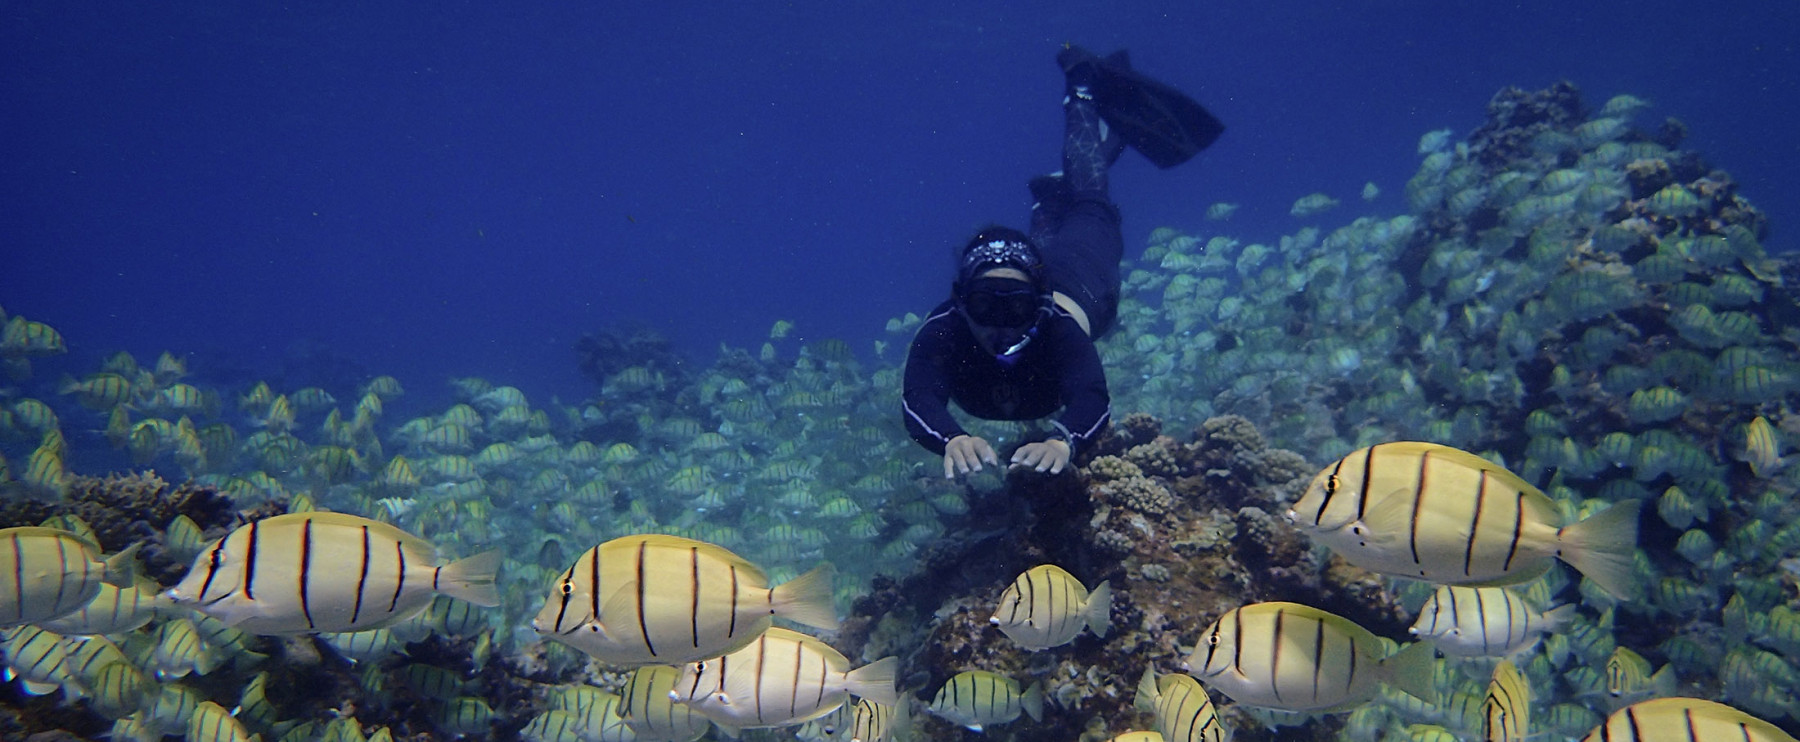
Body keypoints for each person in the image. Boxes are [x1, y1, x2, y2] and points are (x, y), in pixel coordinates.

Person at [902, 45, 1223, 479]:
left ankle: (1083, 91)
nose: (1001, 325)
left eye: (1015, 306)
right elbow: (918, 397)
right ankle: (1055, 195)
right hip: (1048, 269)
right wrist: (951, 437)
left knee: (1093, 202)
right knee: (1073, 210)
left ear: (1040, 300)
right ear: (959, 302)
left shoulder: (1058, 325)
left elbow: (1092, 397)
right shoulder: (943, 331)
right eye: (985, 305)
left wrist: (1065, 439)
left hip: (1079, 280)